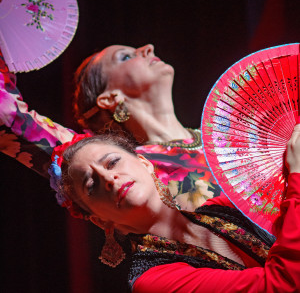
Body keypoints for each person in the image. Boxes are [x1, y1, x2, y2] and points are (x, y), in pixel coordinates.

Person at [48, 126, 300, 293]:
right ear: (99, 220)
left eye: (113, 162)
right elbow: (281, 285)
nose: (109, 178)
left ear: (145, 164)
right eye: (92, 186)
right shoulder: (153, 280)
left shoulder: (222, 208)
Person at [0, 44, 222, 214]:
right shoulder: (119, 167)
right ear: (109, 98)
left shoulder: (225, 139)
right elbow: (9, 116)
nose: (148, 48)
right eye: (126, 57)